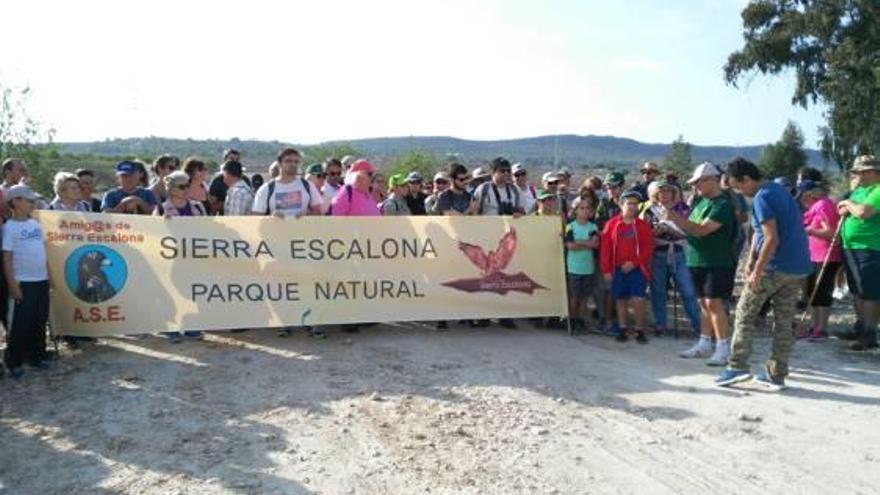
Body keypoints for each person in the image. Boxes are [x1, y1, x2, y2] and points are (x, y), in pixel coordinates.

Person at [717, 157, 811, 390]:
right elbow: (760, 233)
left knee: (744, 313)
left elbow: (771, 238)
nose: (740, 192)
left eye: (739, 186)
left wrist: (757, 270)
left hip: (775, 267)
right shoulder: (777, 190)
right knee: (783, 320)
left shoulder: (762, 197)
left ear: (747, 179)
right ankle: (776, 374)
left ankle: (737, 366)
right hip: (797, 268)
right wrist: (750, 258)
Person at [665, 163, 737, 365]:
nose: (695, 186)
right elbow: (691, 229)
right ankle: (704, 343)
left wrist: (676, 220)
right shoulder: (701, 202)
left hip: (717, 261)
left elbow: (702, 230)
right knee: (703, 303)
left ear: (712, 180)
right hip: (696, 259)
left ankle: (722, 347)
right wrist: (674, 225)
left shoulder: (721, 204)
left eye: (698, 182)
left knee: (714, 303)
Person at [640, 179, 702, 338]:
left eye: (668, 191)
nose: (664, 194)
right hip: (658, 253)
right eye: (661, 191)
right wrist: (656, 233)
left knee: (687, 290)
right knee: (658, 291)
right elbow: (644, 235)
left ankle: (698, 326)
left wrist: (673, 230)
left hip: (679, 252)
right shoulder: (649, 211)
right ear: (656, 194)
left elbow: (690, 230)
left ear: (673, 193)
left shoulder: (683, 209)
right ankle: (660, 324)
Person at [3, 185, 51, 378]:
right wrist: (13, 285)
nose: (32, 203)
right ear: (15, 201)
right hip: (23, 282)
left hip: (41, 280)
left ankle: (36, 356)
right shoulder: (9, 228)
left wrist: (50, 278)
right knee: (20, 323)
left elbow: (42, 253)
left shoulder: (35, 225)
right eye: (28, 200)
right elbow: (6, 258)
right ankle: (13, 361)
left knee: (39, 319)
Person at [472, 158, 524, 329]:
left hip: (506, 240)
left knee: (505, 278)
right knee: (485, 277)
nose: (507, 174)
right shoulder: (483, 189)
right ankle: (483, 315)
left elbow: (522, 212)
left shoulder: (515, 190)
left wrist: (518, 213)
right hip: (485, 238)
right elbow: (473, 213)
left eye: (508, 171)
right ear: (493, 172)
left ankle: (505, 315)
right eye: (502, 171)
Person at [838, 155, 880, 351]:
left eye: (861, 172)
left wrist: (848, 205)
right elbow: (843, 209)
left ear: (872, 172)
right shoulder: (860, 190)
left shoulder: (878, 190)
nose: (857, 175)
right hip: (851, 247)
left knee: (869, 292)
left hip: (869, 248)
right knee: (856, 290)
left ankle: (870, 332)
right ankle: (861, 326)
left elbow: (864, 213)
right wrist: (846, 205)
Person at [600, 189, 653, 343]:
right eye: (629, 203)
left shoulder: (642, 226)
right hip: (617, 268)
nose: (632, 207)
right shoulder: (612, 224)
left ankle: (639, 330)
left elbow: (647, 248)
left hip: (637, 269)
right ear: (621, 205)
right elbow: (605, 248)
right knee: (621, 299)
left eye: (635, 204)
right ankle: (622, 329)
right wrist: (606, 269)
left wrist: (634, 263)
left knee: (638, 299)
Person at [797, 180, 841, 342]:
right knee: (812, 292)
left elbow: (831, 233)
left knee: (821, 292)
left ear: (809, 194)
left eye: (802, 194)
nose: (801, 198)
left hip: (826, 256)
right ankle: (814, 326)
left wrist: (809, 230)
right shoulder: (814, 207)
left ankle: (821, 328)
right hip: (814, 255)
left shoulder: (823, 206)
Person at [252, 148, 322, 218]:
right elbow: (256, 217)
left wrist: (307, 215)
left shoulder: (308, 186)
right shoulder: (266, 189)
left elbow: (319, 213)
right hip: (275, 229)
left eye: (296, 162)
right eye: (288, 161)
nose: (293, 164)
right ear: (279, 163)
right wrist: (270, 218)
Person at [565, 199, 600, 333]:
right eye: (581, 208)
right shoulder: (570, 226)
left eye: (587, 208)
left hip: (588, 267)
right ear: (576, 210)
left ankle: (580, 320)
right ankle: (572, 320)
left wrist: (578, 242)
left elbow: (595, 244)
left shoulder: (593, 227)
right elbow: (570, 246)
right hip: (574, 267)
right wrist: (587, 243)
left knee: (585, 297)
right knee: (574, 297)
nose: (584, 211)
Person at [208, 148, 242, 215]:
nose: (234, 161)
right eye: (232, 159)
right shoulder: (217, 180)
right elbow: (212, 207)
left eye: (237, 160)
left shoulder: (244, 179)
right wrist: (229, 202)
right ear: (225, 160)